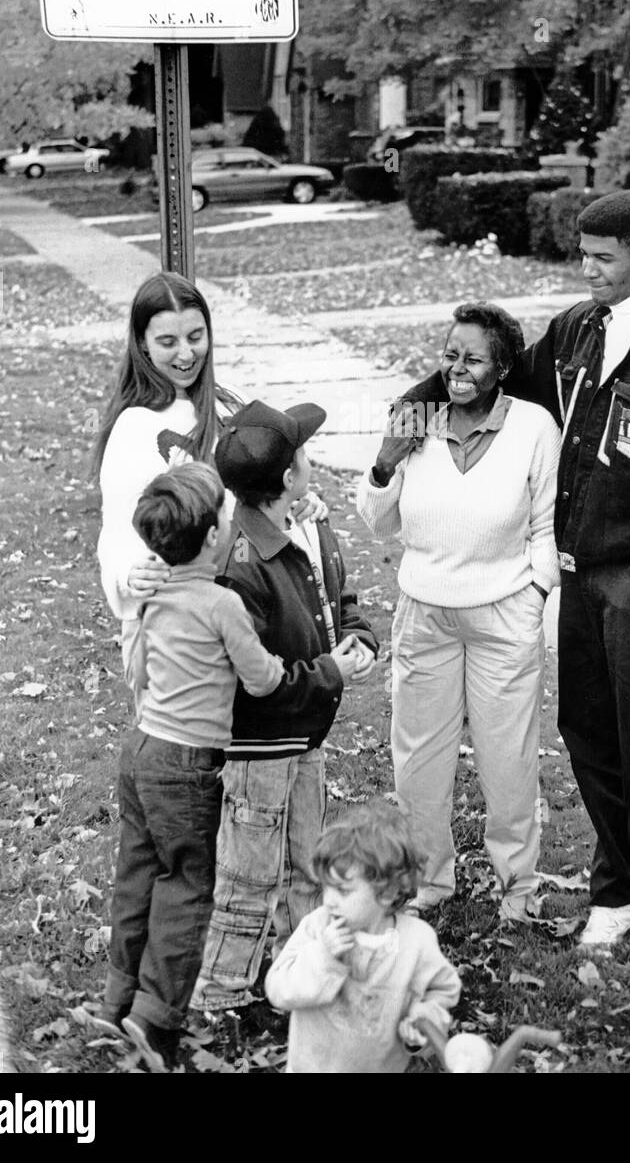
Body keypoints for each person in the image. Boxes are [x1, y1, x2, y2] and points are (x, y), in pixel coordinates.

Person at [399, 191, 630, 966]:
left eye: (603, 258)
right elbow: (487, 383)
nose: (586, 270)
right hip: (576, 577)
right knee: (588, 735)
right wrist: (411, 413)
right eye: (583, 255)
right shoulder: (574, 333)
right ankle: (616, 892)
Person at [357, 303, 560, 924]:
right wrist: (387, 459)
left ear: (503, 367)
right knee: (418, 759)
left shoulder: (532, 426)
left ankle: (518, 886)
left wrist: (534, 595)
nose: (458, 368)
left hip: (503, 615)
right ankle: (430, 881)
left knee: (508, 758)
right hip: (426, 614)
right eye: (450, 355)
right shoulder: (415, 421)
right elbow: (376, 521)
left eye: (473, 358)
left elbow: (547, 524)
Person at [191, 400, 379, 1011]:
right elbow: (250, 679)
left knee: (309, 868)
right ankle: (220, 994)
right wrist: (331, 670)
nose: (310, 457)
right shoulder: (241, 567)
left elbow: (335, 598)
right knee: (249, 880)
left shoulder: (306, 525)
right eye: (303, 451)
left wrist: (359, 636)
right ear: (289, 477)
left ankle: (300, 971)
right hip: (258, 748)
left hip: (306, 738)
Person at [96, 463, 285, 1071]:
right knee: (185, 887)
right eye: (227, 520)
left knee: (138, 875)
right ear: (211, 539)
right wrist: (283, 668)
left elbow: (141, 673)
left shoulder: (153, 594)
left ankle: (114, 1001)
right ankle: (154, 1020)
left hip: (142, 751)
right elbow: (259, 679)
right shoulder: (222, 602)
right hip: (186, 766)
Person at [93, 271, 325, 635]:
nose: (186, 354)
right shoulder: (134, 427)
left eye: (195, 337)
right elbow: (118, 532)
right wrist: (128, 573)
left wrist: (299, 502)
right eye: (168, 341)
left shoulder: (231, 400)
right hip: (183, 623)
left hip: (253, 604)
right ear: (142, 343)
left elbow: (269, 488)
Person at [265, 802, 461, 1074]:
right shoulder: (317, 929)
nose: (329, 900)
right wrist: (322, 957)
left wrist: (423, 1021)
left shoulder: (415, 943)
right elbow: (278, 988)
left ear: (389, 891)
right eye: (326, 887)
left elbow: (440, 991)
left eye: (343, 891)